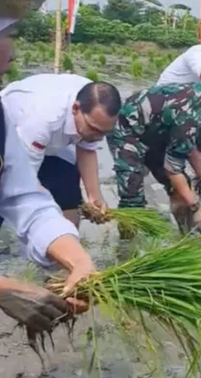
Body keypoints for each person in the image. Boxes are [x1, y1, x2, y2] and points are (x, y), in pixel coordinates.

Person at [0, 1, 93, 331]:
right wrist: (5, 288)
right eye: (9, 32)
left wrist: (77, 259)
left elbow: (24, 198)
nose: (13, 45)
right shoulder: (39, 116)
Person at [108, 63, 201, 234]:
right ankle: (127, 247)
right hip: (128, 130)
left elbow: (199, 145)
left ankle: (186, 238)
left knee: (179, 192)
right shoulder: (191, 115)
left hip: (156, 133)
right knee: (132, 197)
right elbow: (173, 169)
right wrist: (197, 207)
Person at [0, 74, 121, 228]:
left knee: (69, 198)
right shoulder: (42, 118)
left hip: (54, 142)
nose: (98, 138)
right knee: (7, 193)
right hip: (12, 135)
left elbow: (87, 150)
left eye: (104, 132)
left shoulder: (97, 103)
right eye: (94, 130)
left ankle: (66, 243)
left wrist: (94, 197)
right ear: (76, 108)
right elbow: (27, 180)